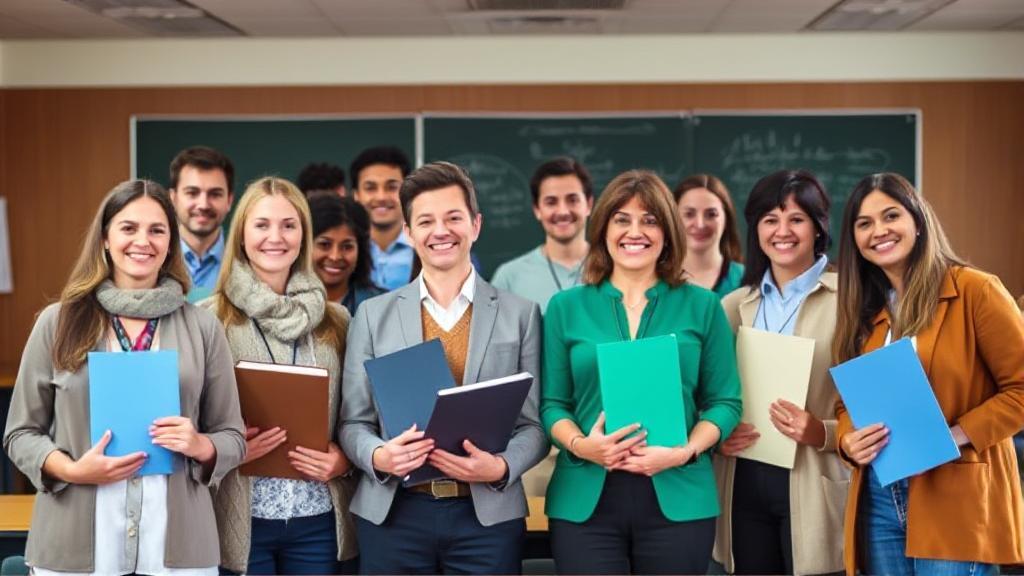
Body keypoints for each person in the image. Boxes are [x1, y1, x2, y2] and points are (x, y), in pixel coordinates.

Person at [3, 180, 245, 574]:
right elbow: (20, 433)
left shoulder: (203, 327)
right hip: (75, 543)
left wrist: (201, 444)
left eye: (157, 230)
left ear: (170, 244)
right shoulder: (57, 322)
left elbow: (233, 435)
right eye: (128, 228)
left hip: (178, 548)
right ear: (105, 239)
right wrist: (70, 469)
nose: (142, 241)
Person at [340, 161, 548, 574]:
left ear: (475, 224)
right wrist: (380, 455)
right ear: (409, 232)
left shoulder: (521, 315)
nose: (441, 231)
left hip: (486, 516)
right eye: (426, 221)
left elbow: (534, 427)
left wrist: (502, 466)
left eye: (453, 218)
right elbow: (351, 423)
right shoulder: (372, 315)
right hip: (395, 515)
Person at [541, 170, 742, 575]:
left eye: (650, 220)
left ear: (668, 232)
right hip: (585, 499)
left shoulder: (702, 306)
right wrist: (582, 445)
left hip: (680, 494)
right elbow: (551, 405)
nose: (636, 232)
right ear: (602, 230)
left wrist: (684, 451)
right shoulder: (565, 307)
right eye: (622, 219)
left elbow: (724, 402)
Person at [833, 172, 1024, 576]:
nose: (879, 231)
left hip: (955, 494)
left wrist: (952, 437)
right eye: (864, 224)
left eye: (890, 216)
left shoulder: (975, 290)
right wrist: (848, 440)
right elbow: (846, 401)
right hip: (880, 499)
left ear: (917, 222)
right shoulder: (864, 313)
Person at [202, 177, 357, 575]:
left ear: (303, 236)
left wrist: (345, 460)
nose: (276, 236)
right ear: (240, 236)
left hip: (317, 517)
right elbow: (188, 420)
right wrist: (229, 449)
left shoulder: (337, 320)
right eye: (262, 225)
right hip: (239, 517)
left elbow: (357, 413)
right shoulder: (207, 318)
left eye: (289, 225)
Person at [712, 170, 848, 575]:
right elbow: (710, 394)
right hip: (744, 481)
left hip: (815, 478)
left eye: (796, 219)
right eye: (770, 220)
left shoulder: (851, 300)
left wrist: (822, 431)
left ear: (819, 227)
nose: (782, 231)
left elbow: (878, 410)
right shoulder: (733, 306)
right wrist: (719, 433)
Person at [491, 157, 594, 314]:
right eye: (551, 202)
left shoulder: (616, 268)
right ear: (537, 209)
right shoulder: (509, 278)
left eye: (572, 200)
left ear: (589, 205)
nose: (563, 212)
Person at [168, 146, 235, 301]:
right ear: (173, 198)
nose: (203, 204)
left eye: (215, 194)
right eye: (192, 193)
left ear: (229, 200)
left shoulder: (247, 264)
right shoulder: (152, 260)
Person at [308, 191, 385, 316]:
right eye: (325, 245)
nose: (335, 256)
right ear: (304, 245)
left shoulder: (383, 306)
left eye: (347, 247)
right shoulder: (283, 304)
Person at [349, 146, 414, 291]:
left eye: (392, 187)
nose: (381, 197)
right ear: (356, 195)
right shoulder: (343, 251)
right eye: (370, 188)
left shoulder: (429, 247)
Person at [674, 173, 744, 297]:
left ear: (726, 218)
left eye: (711, 214)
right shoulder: (656, 280)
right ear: (673, 218)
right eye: (689, 214)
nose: (700, 224)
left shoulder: (749, 281)